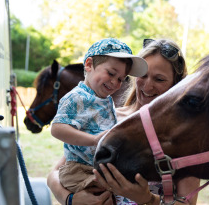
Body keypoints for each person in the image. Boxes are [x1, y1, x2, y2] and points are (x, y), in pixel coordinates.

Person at [47, 38, 200, 205]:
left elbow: (187, 203)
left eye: (159, 79)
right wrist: (70, 199)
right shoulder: (110, 118)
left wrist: (148, 199)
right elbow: (56, 172)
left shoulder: (182, 136)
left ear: (175, 85)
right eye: (143, 76)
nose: (147, 86)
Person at [51, 38, 148, 197]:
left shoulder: (105, 100)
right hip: (78, 169)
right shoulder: (76, 97)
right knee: (110, 190)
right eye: (111, 73)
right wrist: (94, 140)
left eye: (120, 79)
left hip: (96, 167)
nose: (115, 83)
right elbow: (57, 128)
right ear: (89, 65)